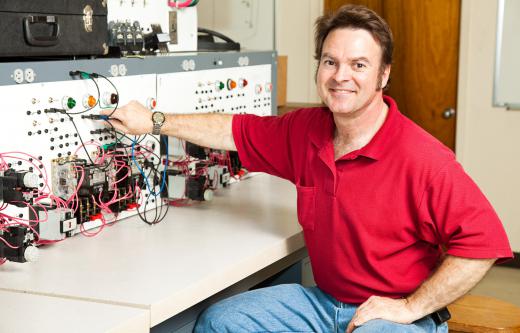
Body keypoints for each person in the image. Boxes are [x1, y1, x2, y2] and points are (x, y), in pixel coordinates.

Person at [101, 5, 512, 333]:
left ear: (384, 75)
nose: (340, 77)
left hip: (392, 315)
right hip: (324, 303)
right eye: (330, 62)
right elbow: (233, 129)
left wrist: (411, 307)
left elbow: (484, 246)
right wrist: (153, 122)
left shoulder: (424, 158)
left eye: (359, 65)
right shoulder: (307, 130)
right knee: (221, 323)